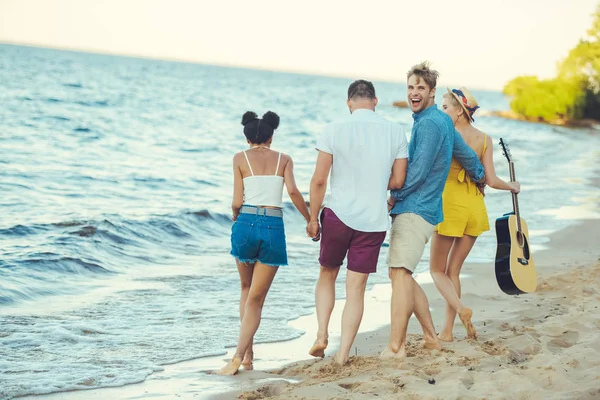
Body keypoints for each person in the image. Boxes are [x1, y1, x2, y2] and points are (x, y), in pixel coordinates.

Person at [383, 62, 485, 360]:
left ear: (431, 92)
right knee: (399, 273)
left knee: (400, 274)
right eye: (411, 87)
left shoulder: (428, 123)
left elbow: (418, 171)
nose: (414, 92)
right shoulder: (443, 121)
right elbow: (466, 155)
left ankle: (395, 347)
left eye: (421, 88)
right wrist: (479, 176)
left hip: (415, 208)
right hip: (427, 211)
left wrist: (394, 195)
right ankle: (430, 336)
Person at [306, 79, 409, 366]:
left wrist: (313, 218)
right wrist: (375, 183)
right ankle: (341, 355)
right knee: (356, 289)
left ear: (349, 102)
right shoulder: (395, 131)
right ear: (375, 101)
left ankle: (322, 334)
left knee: (327, 274)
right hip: (373, 221)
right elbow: (398, 180)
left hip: (338, 215)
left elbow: (318, 180)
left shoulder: (334, 129)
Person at [218, 111, 311, 375]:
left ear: (247, 138)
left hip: (245, 223)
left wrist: (238, 217)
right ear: (271, 136)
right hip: (272, 226)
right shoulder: (284, 159)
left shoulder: (239, 158)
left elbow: (236, 201)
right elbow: (293, 192)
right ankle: (240, 355)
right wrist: (309, 219)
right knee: (257, 300)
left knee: (245, 289)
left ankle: (247, 356)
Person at [430, 87, 520, 341]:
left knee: (437, 271)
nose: (442, 111)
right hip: (475, 208)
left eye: (446, 107)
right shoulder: (485, 139)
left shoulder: (446, 134)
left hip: (450, 207)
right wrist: (511, 185)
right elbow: (490, 180)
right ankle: (447, 331)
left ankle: (461, 309)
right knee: (453, 272)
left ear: (459, 111)